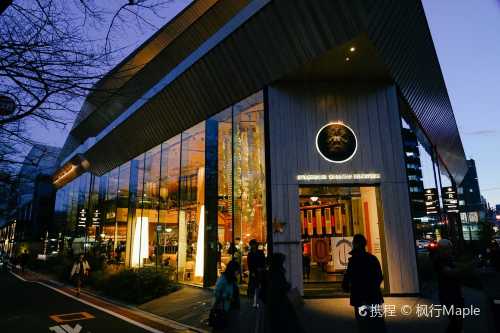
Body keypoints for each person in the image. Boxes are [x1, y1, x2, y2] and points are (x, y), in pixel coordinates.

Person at [342, 234, 386, 333]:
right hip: (374, 296)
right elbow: (379, 276)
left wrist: (346, 286)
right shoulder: (373, 258)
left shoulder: (353, 261)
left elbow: (348, 277)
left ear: (356, 244)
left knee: (363, 325)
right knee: (377, 324)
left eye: (353, 242)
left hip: (359, 297)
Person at [261, 252, 304, 333]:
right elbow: (279, 287)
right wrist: (287, 285)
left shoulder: (272, 272)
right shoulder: (277, 272)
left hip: (275, 303)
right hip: (280, 303)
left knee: (278, 325)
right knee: (286, 324)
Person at [433, 239, 464, 333]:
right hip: (447, 295)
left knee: (457, 321)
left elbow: (457, 267)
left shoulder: (449, 259)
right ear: (440, 249)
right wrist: (466, 268)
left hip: (455, 294)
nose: (449, 251)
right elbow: (450, 272)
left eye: (450, 248)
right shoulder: (439, 261)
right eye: (447, 249)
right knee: (455, 322)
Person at [211, 260, 240, 331]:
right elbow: (216, 292)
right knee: (223, 327)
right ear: (232, 269)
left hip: (233, 308)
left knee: (231, 327)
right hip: (224, 308)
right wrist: (227, 297)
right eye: (237, 270)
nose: (238, 272)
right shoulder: (223, 279)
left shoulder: (233, 279)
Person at [247, 239, 265, 307]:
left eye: (253, 244)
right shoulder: (250, 253)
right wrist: (251, 271)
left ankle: (257, 294)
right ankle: (252, 294)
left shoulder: (259, 252)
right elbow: (249, 263)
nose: (252, 246)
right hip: (254, 270)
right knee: (254, 282)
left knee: (258, 282)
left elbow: (263, 261)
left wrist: (261, 268)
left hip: (259, 270)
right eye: (252, 245)